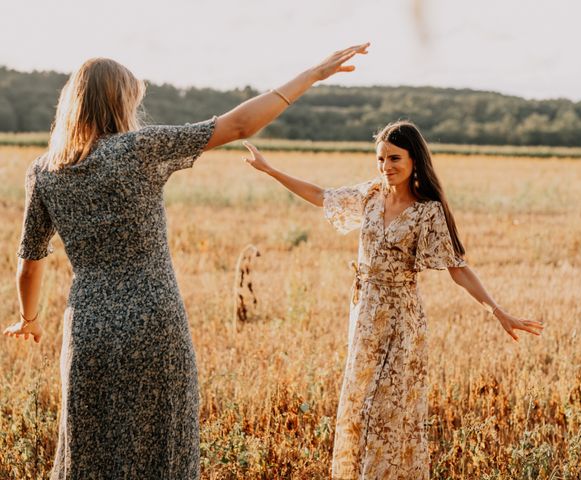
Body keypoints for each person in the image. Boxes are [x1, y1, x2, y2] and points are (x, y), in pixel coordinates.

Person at [2, 43, 369, 479]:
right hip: (154, 321)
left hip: (88, 328)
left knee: (89, 448)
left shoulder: (44, 171)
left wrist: (30, 318)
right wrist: (311, 74)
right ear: (119, 101)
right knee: (164, 444)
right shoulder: (139, 149)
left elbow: (29, 262)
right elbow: (238, 125)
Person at [242, 121, 544, 479]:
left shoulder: (427, 210)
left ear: (415, 159)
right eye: (381, 159)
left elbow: (457, 268)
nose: (386, 167)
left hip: (402, 321)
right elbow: (322, 196)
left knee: (390, 410)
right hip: (364, 315)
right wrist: (271, 170)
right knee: (359, 404)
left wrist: (498, 311)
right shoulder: (371, 194)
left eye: (394, 158)